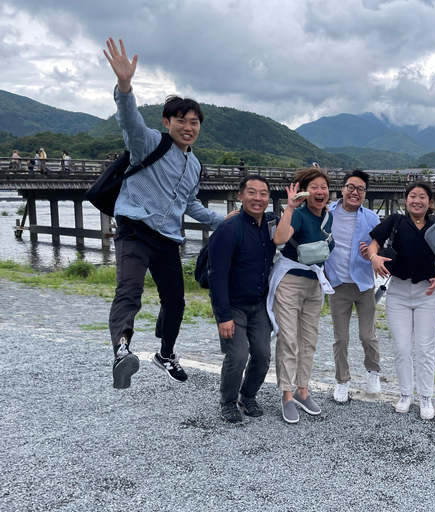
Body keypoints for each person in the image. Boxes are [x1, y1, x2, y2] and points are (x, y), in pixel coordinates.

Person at [103, 37, 226, 389]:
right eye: (181, 120)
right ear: (167, 121)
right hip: (134, 230)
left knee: (176, 300)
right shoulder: (150, 143)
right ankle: (122, 351)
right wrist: (125, 86)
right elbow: (129, 121)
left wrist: (224, 220)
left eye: (194, 122)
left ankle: (165, 354)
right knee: (129, 290)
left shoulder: (195, 164)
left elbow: (190, 205)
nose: (188, 127)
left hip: (167, 239)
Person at [366, 182, 435, 420]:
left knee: (425, 348)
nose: (417, 200)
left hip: (427, 293)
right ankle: (404, 394)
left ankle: (425, 397)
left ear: (430, 202)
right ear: (406, 199)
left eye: (423, 197)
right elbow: (374, 244)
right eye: (413, 196)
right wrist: (373, 258)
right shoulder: (395, 222)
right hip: (398, 292)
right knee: (401, 347)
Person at [208, 174, 277, 423]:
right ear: (240, 196)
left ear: (269, 198)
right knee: (237, 355)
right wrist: (223, 316)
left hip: (259, 303)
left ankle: (248, 395)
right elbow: (216, 276)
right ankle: (227, 402)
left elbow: (295, 226)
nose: (257, 198)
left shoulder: (270, 224)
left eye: (263, 193)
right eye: (251, 192)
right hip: (232, 305)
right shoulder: (228, 229)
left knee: (262, 354)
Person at [270, 168, 335, 424]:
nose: (320, 192)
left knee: (309, 339)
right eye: (315, 187)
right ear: (306, 191)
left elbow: (325, 251)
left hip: (314, 283)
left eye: (324, 187)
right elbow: (279, 239)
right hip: (290, 282)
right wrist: (288, 208)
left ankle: (302, 390)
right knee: (288, 338)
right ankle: (287, 395)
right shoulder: (297, 215)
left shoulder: (328, 217)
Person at [325, 169, 381, 403]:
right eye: (351, 187)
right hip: (337, 284)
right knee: (341, 338)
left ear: (364, 194)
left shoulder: (372, 218)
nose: (354, 192)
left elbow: (382, 248)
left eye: (360, 189)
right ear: (342, 189)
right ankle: (342, 381)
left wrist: (372, 253)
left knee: (368, 336)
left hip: (364, 284)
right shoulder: (326, 213)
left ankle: (373, 371)